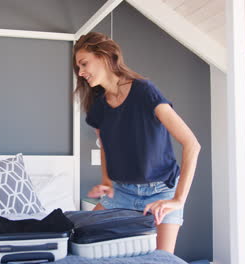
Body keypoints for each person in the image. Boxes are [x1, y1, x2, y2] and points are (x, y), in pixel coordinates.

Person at [73, 32, 201, 254]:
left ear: (103, 56)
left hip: (161, 190)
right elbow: (105, 145)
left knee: (162, 258)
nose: (81, 73)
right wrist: (106, 180)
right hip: (122, 192)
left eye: (84, 64)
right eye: (78, 69)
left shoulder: (144, 91)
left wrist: (178, 200)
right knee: (82, 241)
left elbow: (192, 144)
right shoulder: (99, 106)